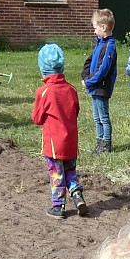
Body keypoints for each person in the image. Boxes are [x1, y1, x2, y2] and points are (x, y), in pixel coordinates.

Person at [33, 43, 87, 219]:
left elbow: (37, 118)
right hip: (71, 142)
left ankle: (58, 206)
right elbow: (75, 112)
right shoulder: (71, 90)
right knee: (70, 171)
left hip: (54, 145)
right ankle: (77, 195)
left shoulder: (44, 92)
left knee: (57, 173)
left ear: (43, 69)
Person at [81, 8, 117, 154]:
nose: (94, 31)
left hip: (101, 87)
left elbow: (103, 69)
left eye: (95, 27)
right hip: (95, 86)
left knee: (103, 117)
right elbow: (90, 60)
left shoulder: (109, 46)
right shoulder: (100, 43)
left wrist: (89, 82)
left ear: (104, 27)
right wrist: (85, 75)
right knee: (97, 117)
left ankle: (106, 145)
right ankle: (99, 142)